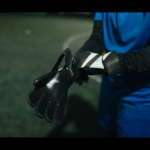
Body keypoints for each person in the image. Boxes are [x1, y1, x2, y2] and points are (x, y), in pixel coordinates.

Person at [67, 12, 150, 137]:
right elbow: (98, 37)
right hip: (109, 83)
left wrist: (104, 63)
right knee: (108, 131)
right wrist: (74, 65)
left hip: (140, 92)